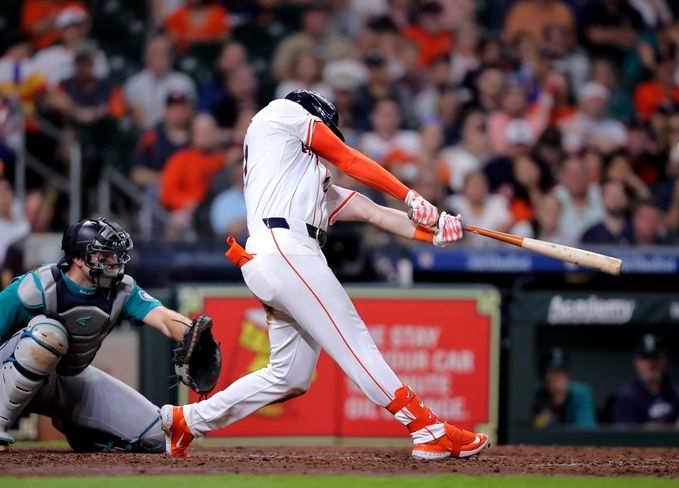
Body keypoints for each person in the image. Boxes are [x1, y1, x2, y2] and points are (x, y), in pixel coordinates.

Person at [160, 90, 488, 460]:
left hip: (278, 257)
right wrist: (411, 196)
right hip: (287, 249)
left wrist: (435, 231)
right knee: (356, 342)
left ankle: (188, 421)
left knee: (289, 376)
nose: (326, 140)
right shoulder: (281, 113)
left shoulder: (299, 175)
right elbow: (348, 158)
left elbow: (371, 211)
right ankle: (426, 428)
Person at [0, 218, 197, 452]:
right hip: (6, 372)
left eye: (115, 254)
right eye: (103, 255)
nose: (114, 261)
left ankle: (77, 427)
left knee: (157, 434)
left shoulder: (122, 288)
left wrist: (191, 334)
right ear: (78, 258)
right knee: (49, 335)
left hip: (68, 378)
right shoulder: (39, 285)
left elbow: (164, 317)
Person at [611, 333, 679, 428]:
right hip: (643, 443)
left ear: (664, 359)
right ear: (636, 361)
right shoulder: (626, 397)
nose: (651, 363)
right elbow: (623, 436)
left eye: (655, 357)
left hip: (678, 443)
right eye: (646, 357)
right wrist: (647, 431)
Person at [532, 347, 596, 428]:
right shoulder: (534, 393)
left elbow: (586, 431)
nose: (558, 376)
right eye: (553, 371)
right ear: (543, 376)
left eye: (562, 370)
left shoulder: (581, 394)